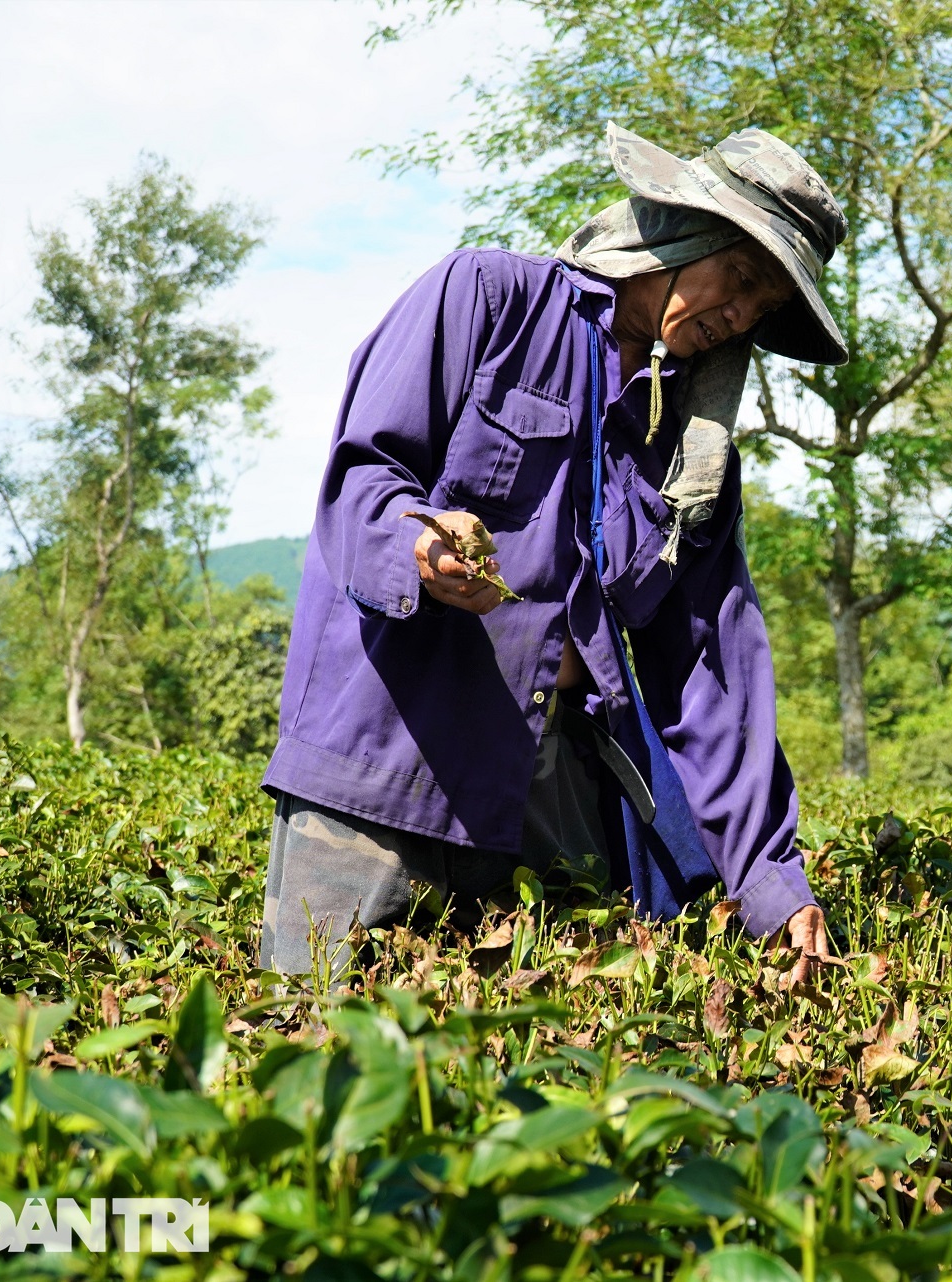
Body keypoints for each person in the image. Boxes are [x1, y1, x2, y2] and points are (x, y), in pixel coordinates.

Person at [256, 123, 839, 983]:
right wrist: (419, 543)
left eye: (762, 309)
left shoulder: (693, 451)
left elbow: (711, 669)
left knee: (545, 1087)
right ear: (682, 233)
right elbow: (362, 476)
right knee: (320, 1061)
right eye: (741, 278)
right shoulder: (489, 298)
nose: (739, 317)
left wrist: (770, 878)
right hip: (387, 764)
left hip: (554, 790)